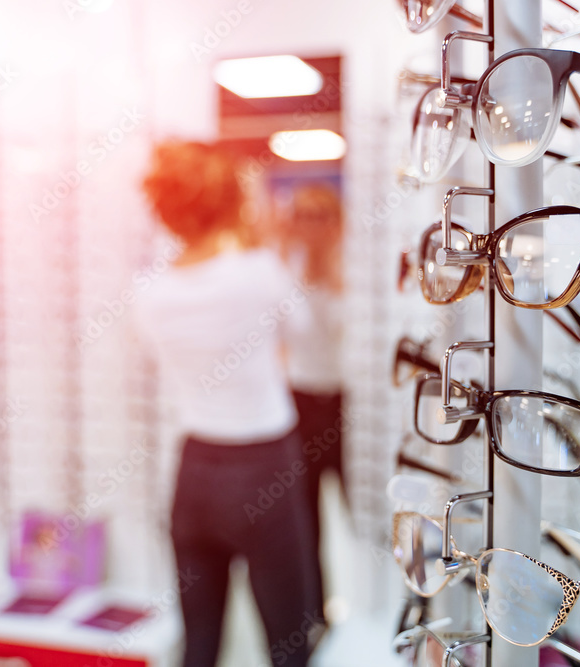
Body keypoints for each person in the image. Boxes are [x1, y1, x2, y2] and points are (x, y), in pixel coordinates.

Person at [134, 140, 323, 667]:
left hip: (195, 474)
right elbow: (302, 333)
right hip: (266, 467)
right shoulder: (260, 273)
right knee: (288, 640)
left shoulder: (149, 294)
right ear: (233, 203)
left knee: (199, 642)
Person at [276, 183, 347, 613]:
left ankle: (373, 606)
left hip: (345, 402)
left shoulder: (352, 269)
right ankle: (313, 609)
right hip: (300, 402)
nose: (313, 225)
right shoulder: (285, 268)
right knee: (305, 517)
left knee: (361, 505)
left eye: (322, 215)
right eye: (304, 215)